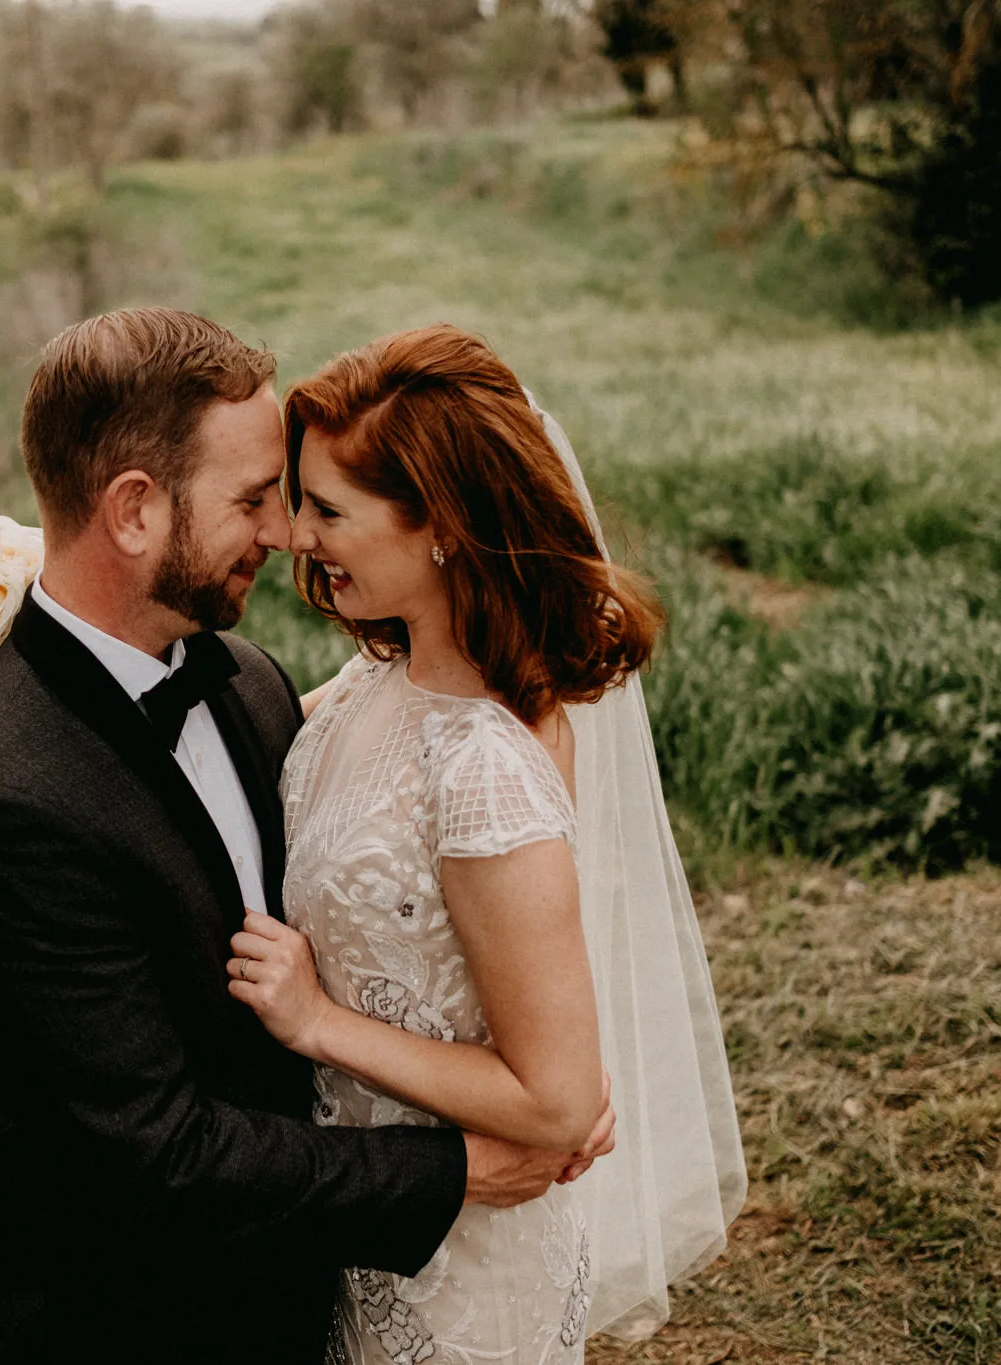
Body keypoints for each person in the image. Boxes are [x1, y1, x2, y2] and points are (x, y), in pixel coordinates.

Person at [0, 308, 613, 1365]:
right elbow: (158, 1159)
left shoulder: (247, 681)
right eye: (250, 500)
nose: (281, 535)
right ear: (133, 513)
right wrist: (461, 1169)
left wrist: (538, 1080)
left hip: (313, 1296)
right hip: (131, 1329)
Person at [229, 323, 745, 1361]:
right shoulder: (371, 688)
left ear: (442, 530)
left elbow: (555, 1101)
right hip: (367, 1223)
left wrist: (316, 1021)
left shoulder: (483, 768)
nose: (295, 536)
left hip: (464, 1279)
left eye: (327, 509)